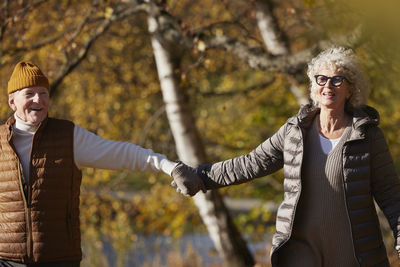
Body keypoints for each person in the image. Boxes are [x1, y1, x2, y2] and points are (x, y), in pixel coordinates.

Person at [171, 47, 400, 266]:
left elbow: (391, 195)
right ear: (314, 86)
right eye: (322, 79)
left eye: (337, 80)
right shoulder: (295, 131)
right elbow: (252, 163)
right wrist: (200, 176)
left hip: (353, 255)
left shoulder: (367, 136)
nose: (328, 85)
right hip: (300, 253)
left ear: (350, 89)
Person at [0, 61, 178, 266]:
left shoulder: (69, 137)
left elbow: (122, 154)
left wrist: (170, 167)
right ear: (12, 101)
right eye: (29, 93)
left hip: (59, 259)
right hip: (7, 260)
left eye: (44, 93)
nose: (38, 99)